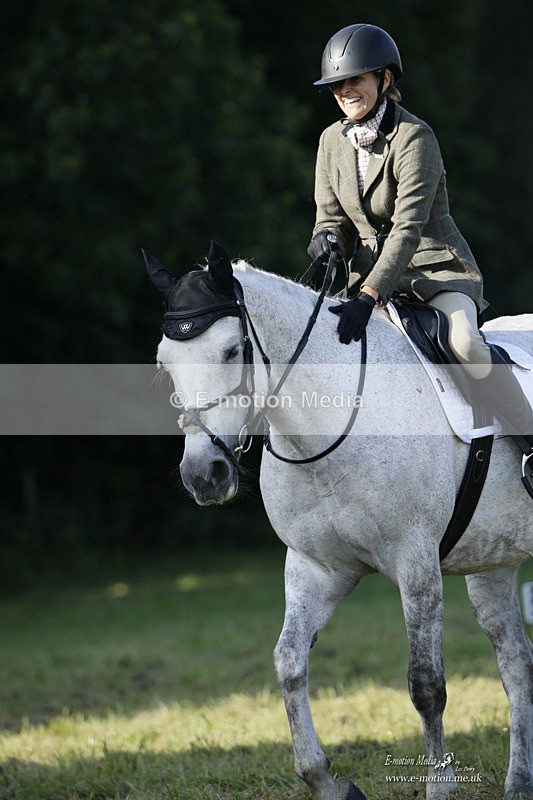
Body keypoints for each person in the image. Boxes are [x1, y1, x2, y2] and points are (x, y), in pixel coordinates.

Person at [308, 22, 533, 446]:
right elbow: (330, 216)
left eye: (355, 79)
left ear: (385, 77)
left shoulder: (415, 137)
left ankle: (530, 438)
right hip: (366, 282)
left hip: (434, 273)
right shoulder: (329, 142)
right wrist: (327, 238)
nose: (345, 90)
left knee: (466, 344)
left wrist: (368, 295)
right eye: (337, 84)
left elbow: (407, 229)